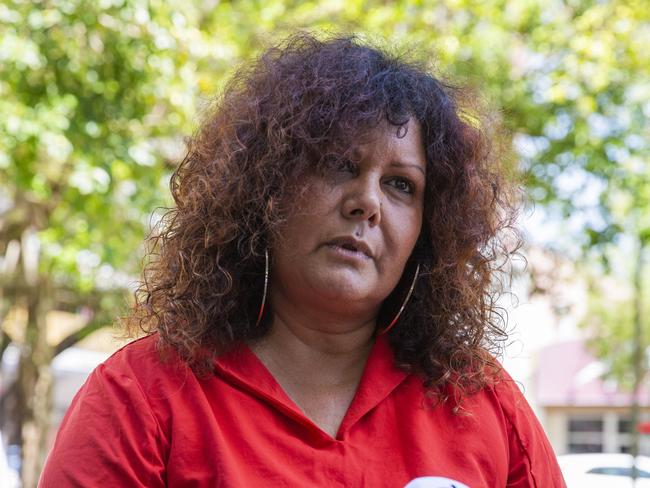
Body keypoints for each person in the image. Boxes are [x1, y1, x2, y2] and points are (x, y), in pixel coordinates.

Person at [40, 34, 566, 487]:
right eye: (339, 164)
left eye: (402, 185)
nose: (368, 202)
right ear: (266, 188)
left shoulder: (484, 406)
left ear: (429, 231)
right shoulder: (140, 398)